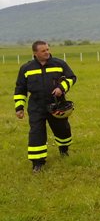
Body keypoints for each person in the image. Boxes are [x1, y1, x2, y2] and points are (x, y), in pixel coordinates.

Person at [14, 40, 77, 173]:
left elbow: (71, 78)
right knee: (36, 132)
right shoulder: (26, 68)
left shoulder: (59, 64)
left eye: (48, 49)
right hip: (36, 106)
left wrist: (61, 88)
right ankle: (38, 163)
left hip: (57, 104)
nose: (47, 52)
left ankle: (64, 150)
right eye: (43, 51)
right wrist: (19, 108)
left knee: (62, 129)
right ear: (35, 53)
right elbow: (20, 89)